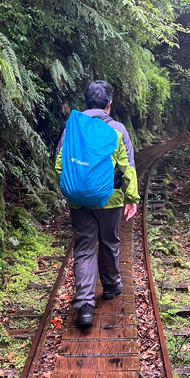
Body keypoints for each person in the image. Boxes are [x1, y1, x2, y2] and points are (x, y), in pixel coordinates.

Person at [55, 80, 140, 328]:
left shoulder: (73, 128)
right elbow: (128, 167)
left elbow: (60, 165)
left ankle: (84, 306)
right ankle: (111, 286)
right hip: (109, 198)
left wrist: (70, 189)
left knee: (83, 247)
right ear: (109, 104)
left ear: (87, 102)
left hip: (79, 200)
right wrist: (131, 198)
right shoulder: (118, 130)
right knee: (110, 242)